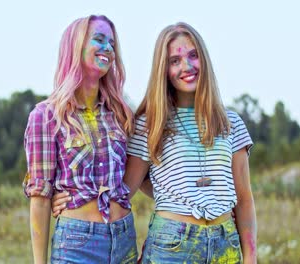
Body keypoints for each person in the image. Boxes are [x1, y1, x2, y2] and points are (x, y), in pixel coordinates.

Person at [53, 22, 257, 263]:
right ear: (164, 68)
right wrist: (72, 198)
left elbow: (244, 199)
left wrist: (250, 257)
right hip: (172, 246)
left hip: (226, 244)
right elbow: (124, 188)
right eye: (175, 61)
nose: (187, 66)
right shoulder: (150, 123)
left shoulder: (230, 122)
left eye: (193, 56)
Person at [22, 15, 137, 264]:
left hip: (124, 237)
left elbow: (139, 173)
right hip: (77, 244)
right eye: (98, 39)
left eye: (111, 43)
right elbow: (40, 198)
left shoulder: (119, 113)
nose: (108, 48)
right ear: (76, 47)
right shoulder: (46, 115)